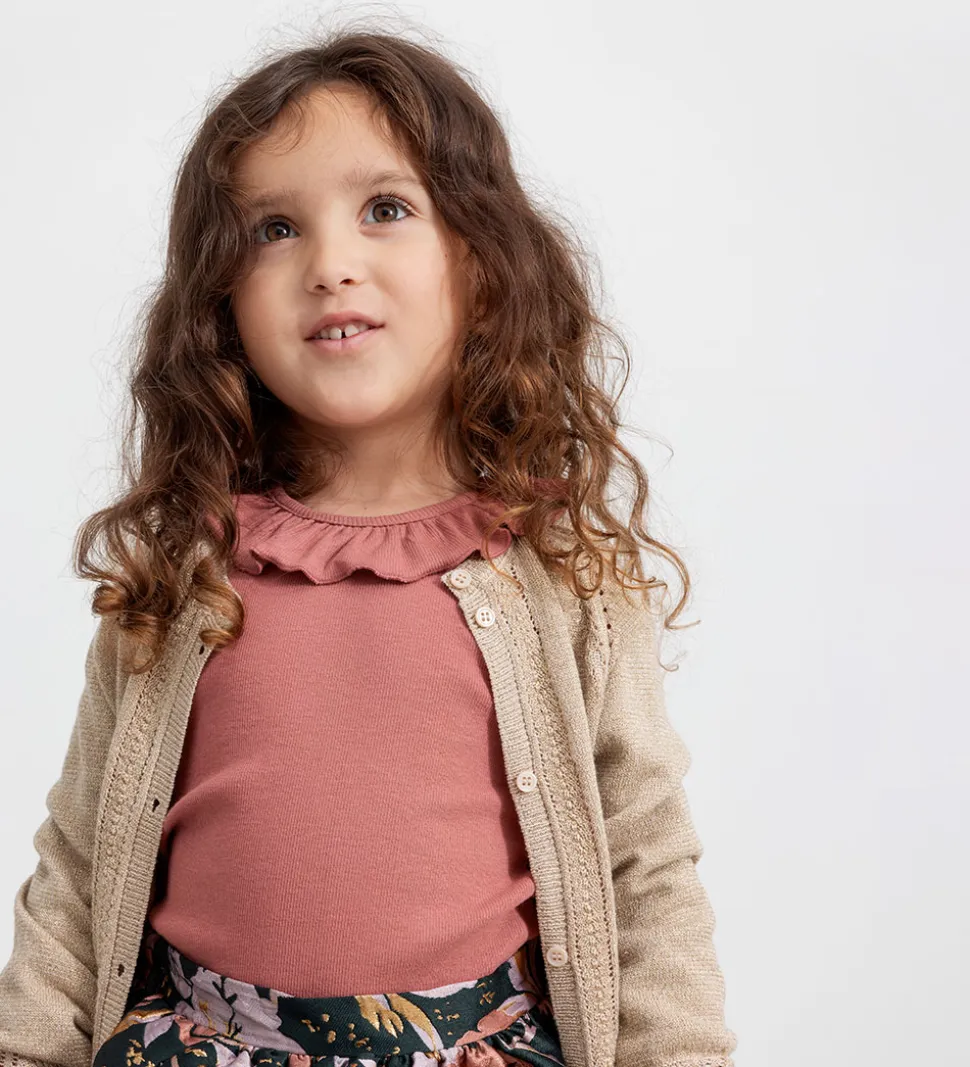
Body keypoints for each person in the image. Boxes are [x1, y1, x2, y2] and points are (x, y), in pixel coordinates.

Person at [0, 20, 737, 1067]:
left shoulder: (561, 572)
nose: (331, 265)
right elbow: (81, 859)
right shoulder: (185, 569)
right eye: (273, 229)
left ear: (479, 256)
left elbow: (645, 863)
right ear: (220, 301)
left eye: (385, 209)